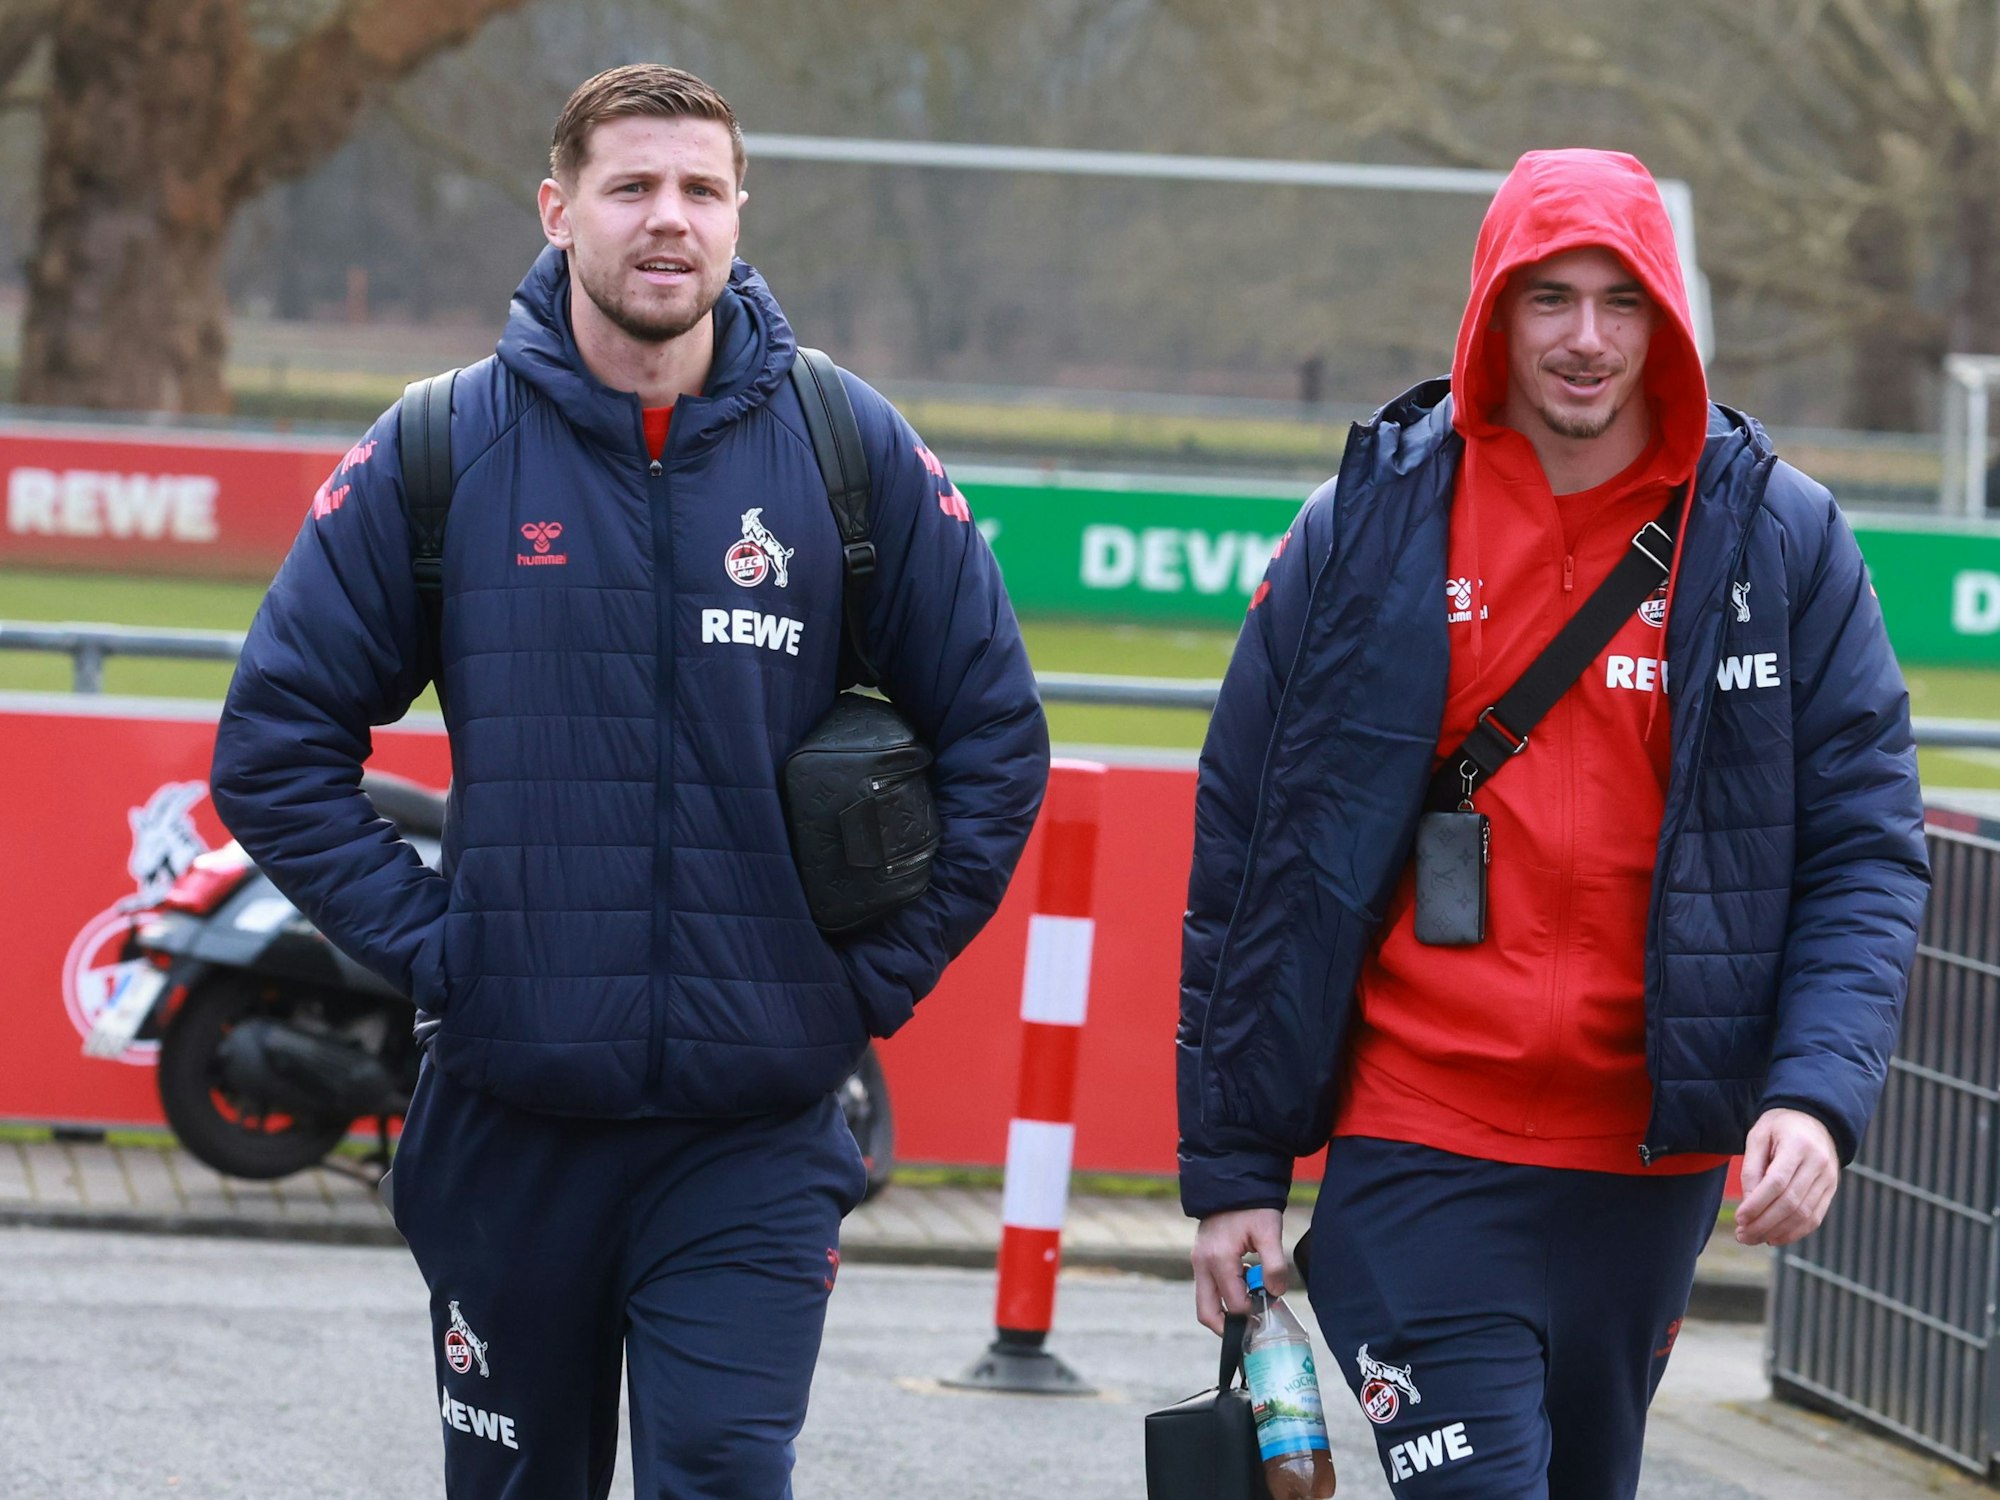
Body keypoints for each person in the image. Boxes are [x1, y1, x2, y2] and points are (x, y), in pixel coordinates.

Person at [211, 64, 1049, 1500]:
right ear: (558, 212)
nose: (671, 219)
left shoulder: (845, 448)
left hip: (755, 1129)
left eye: (702, 190)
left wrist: (860, 984)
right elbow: (273, 743)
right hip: (511, 1120)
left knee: (722, 1470)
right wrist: (444, 952)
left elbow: (996, 737)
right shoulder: (441, 447)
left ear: (739, 214)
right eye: (633, 187)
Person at [1178, 148, 1929, 1498]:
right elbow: (1251, 846)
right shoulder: (1366, 527)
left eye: (1622, 301)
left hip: (1649, 1170)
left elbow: (1863, 848)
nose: (1588, 339)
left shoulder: (1778, 538)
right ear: (1492, 311)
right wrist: (1234, 1168)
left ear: (1669, 320)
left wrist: (1816, 1098)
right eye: (1550, 298)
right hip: (1417, 1141)